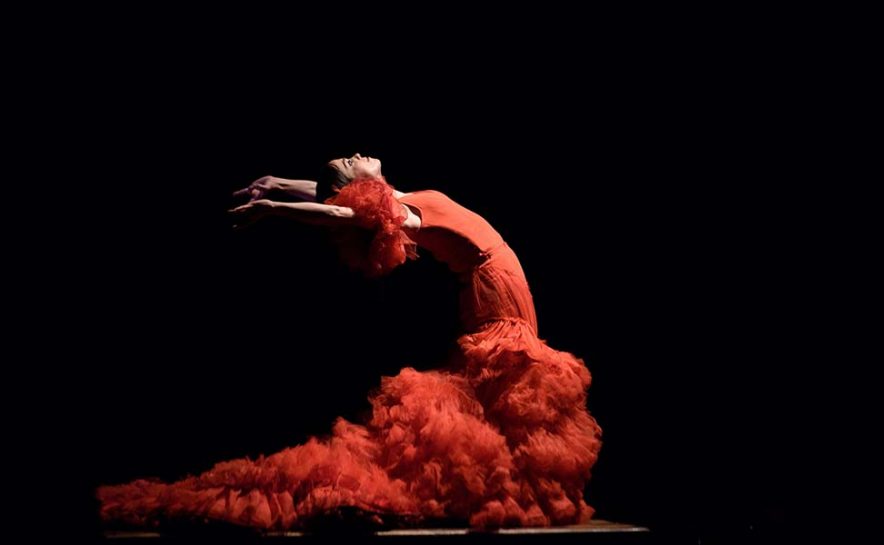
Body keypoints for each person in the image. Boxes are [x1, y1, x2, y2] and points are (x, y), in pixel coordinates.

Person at [98, 154, 602, 530]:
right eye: (349, 162)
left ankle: (487, 481)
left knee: (499, 397)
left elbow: (342, 199)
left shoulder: (398, 196)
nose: (356, 152)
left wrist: (284, 184)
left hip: (498, 282)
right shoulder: (395, 213)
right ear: (362, 187)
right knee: (510, 383)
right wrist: (278, 209)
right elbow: (347, 214)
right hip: (494, 295)